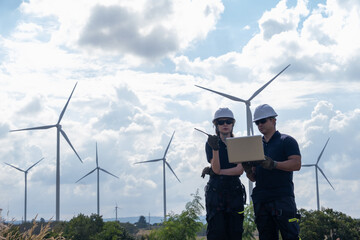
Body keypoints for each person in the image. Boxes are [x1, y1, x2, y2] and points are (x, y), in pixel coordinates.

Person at [243, 104, 301, 240]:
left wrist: (274, 164)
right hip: (262, 200)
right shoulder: (256, 146)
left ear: (274, 120)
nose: (260, 125)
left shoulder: (287, 141)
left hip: (282, 198)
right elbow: (253, 178)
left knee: (290, 236)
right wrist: (248, 170)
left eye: (263, 121)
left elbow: (296, 164)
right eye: (257, 122)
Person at [201, 107, 245, 240]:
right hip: (216, 191)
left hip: (234, 191)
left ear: (233, 124)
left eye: (228, 121)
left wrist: (218, 172)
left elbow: (239, 170)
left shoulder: (238, 143)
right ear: (216, 125)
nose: (225, 124)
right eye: (221, 122)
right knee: (216, 231)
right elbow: (216, 169)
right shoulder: (211, 143)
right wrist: (215, 149)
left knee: (235, 231)